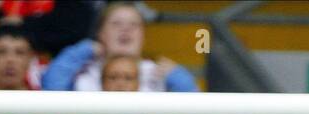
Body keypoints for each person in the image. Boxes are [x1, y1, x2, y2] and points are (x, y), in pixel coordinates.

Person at [40, 0, 198, 93]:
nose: (126, 29)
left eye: (134, 25)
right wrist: (81, 52)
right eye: (116, 24)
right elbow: (50, 90)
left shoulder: (161, 74)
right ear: (100, 33)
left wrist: (183, 83)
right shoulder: (83, 70)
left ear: (143, 35)